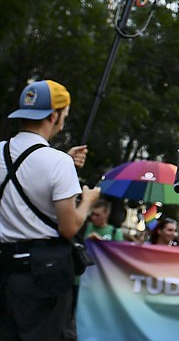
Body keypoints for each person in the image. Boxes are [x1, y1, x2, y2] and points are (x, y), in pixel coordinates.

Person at [0, 79, 100, 341]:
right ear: (55, 115)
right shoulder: (58, 162)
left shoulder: (0, 152)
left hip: (4, 272)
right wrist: (87, 200)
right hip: (43, 277)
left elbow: (24, 177)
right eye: (64, 115)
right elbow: (69, 228)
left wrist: (65, 159)